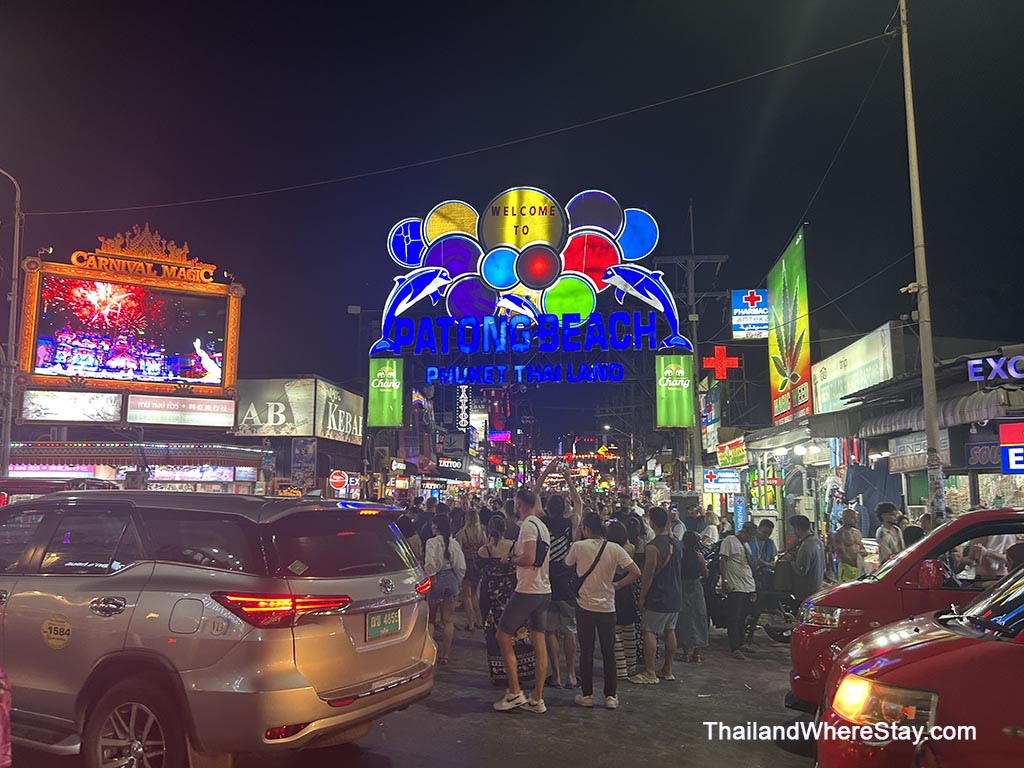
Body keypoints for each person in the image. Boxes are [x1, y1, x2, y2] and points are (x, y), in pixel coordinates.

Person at [566, 512, 641, 709]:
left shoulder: (579, 547)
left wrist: (576, 538)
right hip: (607, 606)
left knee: (586, 651)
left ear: (586, 529)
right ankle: (610, 696)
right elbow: (635, 572)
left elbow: (567, 563)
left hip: (584, 606)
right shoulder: (614, 548)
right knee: (608, 652)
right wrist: (618, 584)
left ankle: (587, 695)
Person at [493, 487, 552, 714]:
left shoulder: (527, 526)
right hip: (544, 589)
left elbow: (528, 557)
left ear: (518, 504)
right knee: (539, 641)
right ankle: (537, 697)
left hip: (528, 589)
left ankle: (515, 691)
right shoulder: (541, 526)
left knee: (503, 634)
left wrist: (510, 560)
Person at [478, 516, 536, 688]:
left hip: (491, 596)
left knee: (494, 632)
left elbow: (479, 569)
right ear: (505, 529)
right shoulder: (513, 547)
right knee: (518, 631)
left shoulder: (484, 551)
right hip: (511, 594)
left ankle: (500, 673)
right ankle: (522, 669)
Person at [629, 507, 681, 685]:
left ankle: (650, 671)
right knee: (670, 630)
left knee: (649, 630)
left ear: (651, 521)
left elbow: (648, 574)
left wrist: (642, 597)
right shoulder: (676, 543)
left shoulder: (653, 547)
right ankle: (668, 669)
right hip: (675, 594)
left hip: (658, 595)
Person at [543, 483, 581, 689]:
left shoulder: (543, 522)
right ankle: (571, 675)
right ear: (564, 508)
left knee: (550, 630)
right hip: (567, 579)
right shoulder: (570, 523)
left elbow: (534, 496)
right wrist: (568, 479)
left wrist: (546, 473)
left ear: (548, 508)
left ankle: (556, 675)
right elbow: (579, 504)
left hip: (547, 580)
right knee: (569, 629)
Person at [423, 515, 466, 666]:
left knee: (431, 619)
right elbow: (460, 566)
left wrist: (432, 576)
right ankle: (445, 655)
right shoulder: (453, 543)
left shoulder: (431, 542)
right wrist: (458, 581)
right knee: (448, 620)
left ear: (436, 526)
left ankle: (429, 653)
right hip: (451, 579)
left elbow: (429, 563)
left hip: (436, 579)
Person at [607, 521, 640, 679]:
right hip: (627, 590)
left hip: (615, 588)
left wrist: (618, 584)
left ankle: (620, 669)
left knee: (616, 632)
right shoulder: (631, 548)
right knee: (629, 630)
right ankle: (631, 666)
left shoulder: (610, 550)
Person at [720, 521, 757, 660]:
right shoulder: (730, 541)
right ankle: (734, 647)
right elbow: (723, 560)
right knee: (734, 618)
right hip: (736, 586)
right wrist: (724, 581)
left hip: (747, 586)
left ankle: (741, 643)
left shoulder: (746, 545)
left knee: (743, 618)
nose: (752, 539)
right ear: (744, 532)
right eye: (751, 536)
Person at [676, 530, 709, 663]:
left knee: (683, 619)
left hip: (682, 587)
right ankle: (697, 654)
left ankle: (685, 653)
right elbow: (705, 574)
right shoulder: (699, 556)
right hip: (695, 587)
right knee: (698, 618)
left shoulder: (680, 555)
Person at [456, 506, 486, 631]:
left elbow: (458, 552)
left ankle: (471, 623)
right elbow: (484, 549)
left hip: (466, 564)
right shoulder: (482, 533)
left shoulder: (461, 534)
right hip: (477, 565)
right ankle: (479, 621)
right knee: (474, 594)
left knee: (466, 595)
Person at [783, 515, 825, 606]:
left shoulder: (806, 545)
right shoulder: (818, 542)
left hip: (806, 592)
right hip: (817, 588)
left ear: (797, 528)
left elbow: (801, 570)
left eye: (794, 529)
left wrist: (790, 561)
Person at [832, 508, 865, 583]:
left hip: (859, 568)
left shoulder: (857, 532)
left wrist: (862, 557)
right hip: (847, 568)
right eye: (853, 518)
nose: (856, 521)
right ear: (845, 518)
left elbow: (862, 548)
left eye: (856, 518)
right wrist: (855, 564)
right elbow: (842, 554)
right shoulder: (839, 534)